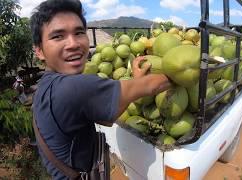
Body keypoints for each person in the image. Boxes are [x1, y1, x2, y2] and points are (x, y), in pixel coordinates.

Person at [30, 0, 171, 179]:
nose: (73, 43)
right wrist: (183, 68)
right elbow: (154, 85)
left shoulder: (46, 85)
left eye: (79, 32)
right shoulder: (73, 87)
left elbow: (106, 116)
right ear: (39, 51)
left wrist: (135, 81)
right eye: (58, 36)